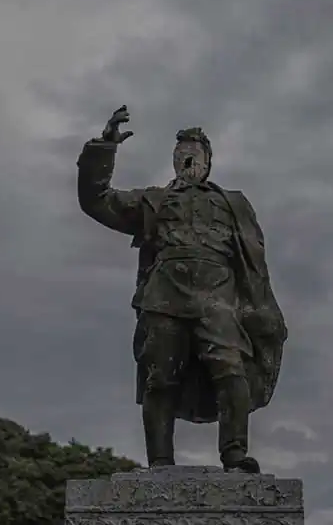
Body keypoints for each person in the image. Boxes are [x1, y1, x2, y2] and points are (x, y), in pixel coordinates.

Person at [76, 106, 287, 473]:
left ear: (208, 161)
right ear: (174, 160)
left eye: (195, 152)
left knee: (231, 369)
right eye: (181, 152)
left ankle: (234, 455)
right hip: (164, 295)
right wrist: (105, 147)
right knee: (160, 376)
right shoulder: (153, 200)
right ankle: (160, 461)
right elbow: (96, 200)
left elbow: (254, 264)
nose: (187, 158)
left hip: (218, 297)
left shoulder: (233, 203)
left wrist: (259, 309)